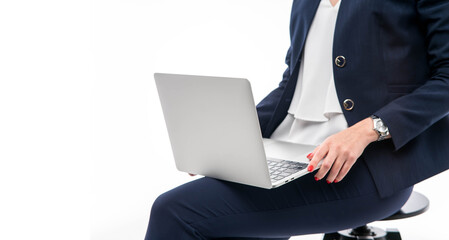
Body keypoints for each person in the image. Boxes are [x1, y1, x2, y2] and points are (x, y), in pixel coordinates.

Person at [145, 0, 449, 239]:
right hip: (292, 153)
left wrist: (367, 129)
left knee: (173, 212)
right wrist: (231, 140)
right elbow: (294, 82)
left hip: (371, 166)